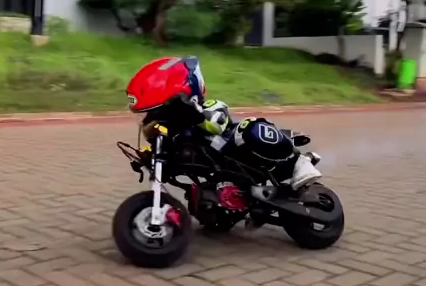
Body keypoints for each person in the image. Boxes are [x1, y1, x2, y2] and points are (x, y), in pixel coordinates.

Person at [127, 55, 321, 191]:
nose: (148, 122)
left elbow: (217, 123)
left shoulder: (207, 107)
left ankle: (299, 162)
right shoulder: (176, 136)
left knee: (250, 126)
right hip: (227, 178)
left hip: (242, 153)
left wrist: (194, 114)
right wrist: (149, 158)